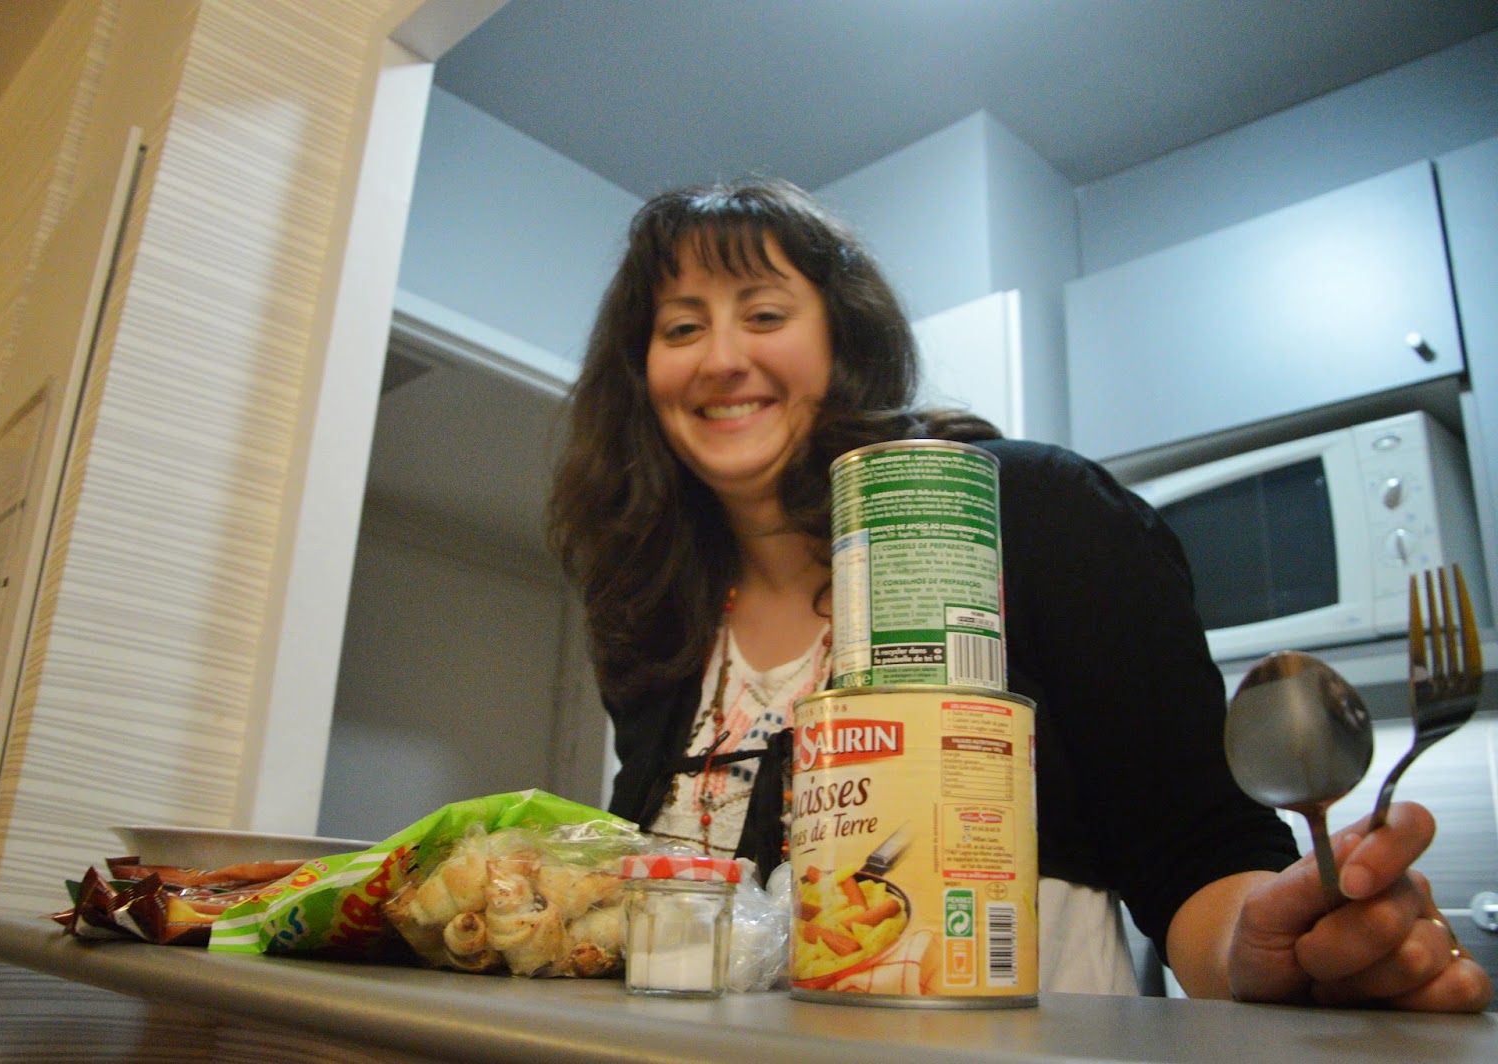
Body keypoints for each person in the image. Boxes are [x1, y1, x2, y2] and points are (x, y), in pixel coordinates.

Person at [546, 178, 1491, 1010]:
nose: (719, 359)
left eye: (762, 313)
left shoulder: (1030, 511)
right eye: (681, 327)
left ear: (843, 337)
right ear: (643, 375)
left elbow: (1199, 856)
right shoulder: (653, 615)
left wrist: (1276, 949)